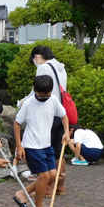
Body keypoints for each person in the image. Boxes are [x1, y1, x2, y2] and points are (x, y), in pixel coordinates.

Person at [12, 76, 70, 207]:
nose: (43, 98)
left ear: (51, 91)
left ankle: (22, 194)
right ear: (34, 90)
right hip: (32, 146)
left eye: (46, 95)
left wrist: (67, 131)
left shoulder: (53, 100)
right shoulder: (29, 103)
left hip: (46, 145)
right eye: (40, 95)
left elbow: (64, 115)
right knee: (44, 176)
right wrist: (19, 146)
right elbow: (17, 123)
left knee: (52, 176)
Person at [23, 45, 69, 197]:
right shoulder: (61, 67)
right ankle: (59, 185)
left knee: (44, 150)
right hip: (60, 112)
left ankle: (47, 188)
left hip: (47, 114)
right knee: (56, 150)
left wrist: (22, 102)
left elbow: (36, 91)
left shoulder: (43, 68)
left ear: (37, 56)